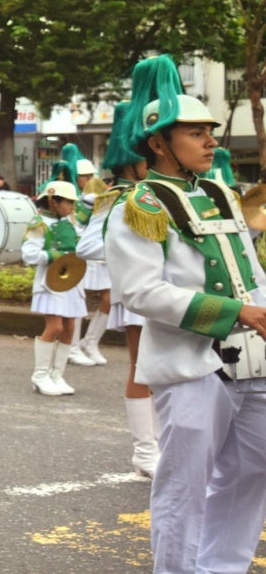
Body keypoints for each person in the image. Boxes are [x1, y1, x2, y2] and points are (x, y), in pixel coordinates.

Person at [105, 55, 266, 573]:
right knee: (183, 489)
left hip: (254, 363)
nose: (210, 141)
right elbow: (141, 292)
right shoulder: (140, 204)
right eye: (195, 132)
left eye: (209, 131)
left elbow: (250, 270)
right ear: (158, 143)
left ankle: (221, 568)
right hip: (192, 365)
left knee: (253, 474)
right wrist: (237, 312)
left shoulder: (220, 191)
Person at [76, 101, 156, 476]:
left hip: (182, 294)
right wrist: (141, 244)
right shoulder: (116, 197)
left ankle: (167, 442)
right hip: (141, 293)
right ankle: (144, 450)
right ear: (130, 160)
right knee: (144, 368)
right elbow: (87, 246)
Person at [22, 178, 86, 395]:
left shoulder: (72, 223)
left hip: (71, 281)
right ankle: (40, 375)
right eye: (68, 202)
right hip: (49, 282)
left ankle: (57, 374)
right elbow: (29, 254)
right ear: (54, 202)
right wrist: (52, 255)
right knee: (55, 327)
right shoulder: (38, 224)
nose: (72, 207)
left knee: (70, 328)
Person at [61, 143, 109, 367]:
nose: (87, 178)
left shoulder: (102, 193)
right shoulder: (71, 198)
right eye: (83, 176)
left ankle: (90, 342)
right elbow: (73, 226)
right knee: (79, 300)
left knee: (108, 299)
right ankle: (71, 347)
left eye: (90, 174)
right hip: (80, 254)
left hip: (100, 255)